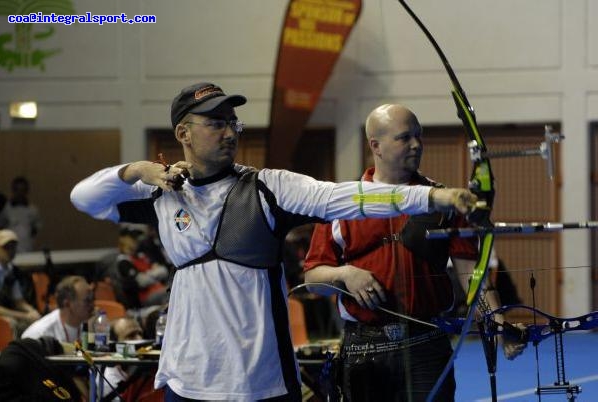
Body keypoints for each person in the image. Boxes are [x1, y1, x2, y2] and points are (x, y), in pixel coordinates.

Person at [69, 82, 478, 401]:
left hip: (260, 383)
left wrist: (434, 196)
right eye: (216, 123)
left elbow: (350, 196)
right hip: (186, 378)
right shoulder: (161, 192)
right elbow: (83, 198)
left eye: (233, 123)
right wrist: (136, 170)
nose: (230, 132)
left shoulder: (269, 187)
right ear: (183, 133)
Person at [304, 104, 526, 402]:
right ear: (376, 146)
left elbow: (472, 273)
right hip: (365, 350)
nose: (416, 144)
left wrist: (497, 322)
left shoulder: (443, 200)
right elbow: (312, 279)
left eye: (419, 136)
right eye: (404, 137)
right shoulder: (341, 204)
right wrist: (344, 275)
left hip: (427, 344)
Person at [21, 275, 95, 343]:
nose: (93, 305)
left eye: (93, 299)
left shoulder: (90, 325)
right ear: (67, 304)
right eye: (87, 301)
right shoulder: (39, 334)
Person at [0, 229, 41, 336]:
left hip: (9, 313)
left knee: (36, 322)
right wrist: (24, 316)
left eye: (13, 247)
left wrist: (31, 311)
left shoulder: (11, 271)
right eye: (6, 247)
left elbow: (18, 301)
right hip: (3, 316)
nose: (10, 251)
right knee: (10, 323)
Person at [4, 176, 42, 252]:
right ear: (13, 191)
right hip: (9, 250)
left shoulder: (33, 210)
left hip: (26, 248)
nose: (20, 193)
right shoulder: (6, 209)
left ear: (26, 191)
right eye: (17, 190)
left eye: (22, 190)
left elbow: (37, 226)